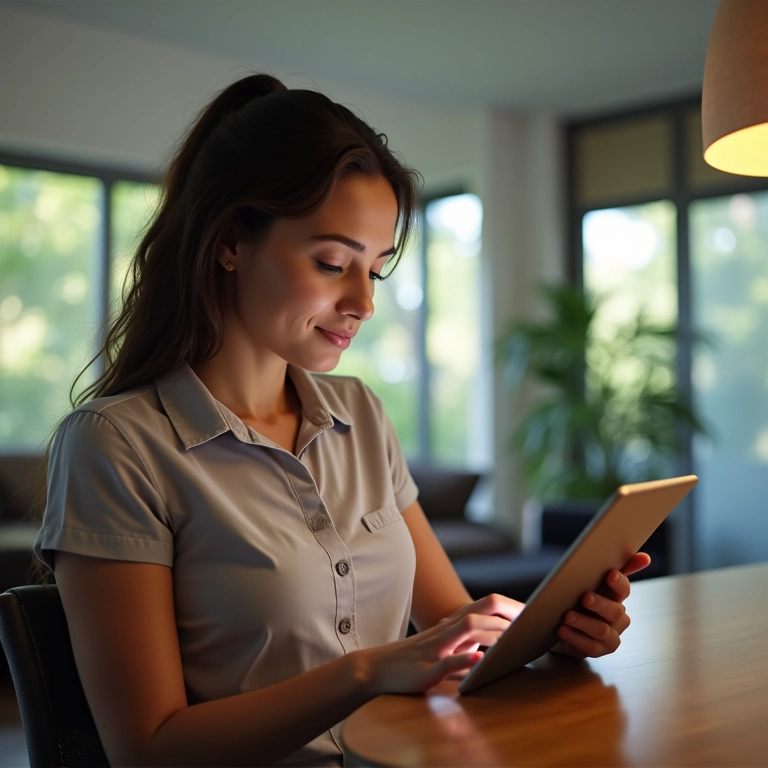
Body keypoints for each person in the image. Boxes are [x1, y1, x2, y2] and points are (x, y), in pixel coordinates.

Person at [33, 73, 650, 767]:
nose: (363, 301)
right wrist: (368, 671)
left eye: (376, 270)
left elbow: (448, 622)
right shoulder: (116, 446)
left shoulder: (359, 412)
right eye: (332, 263)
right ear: (231, 241)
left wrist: (551, 634)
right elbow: (147, 749)